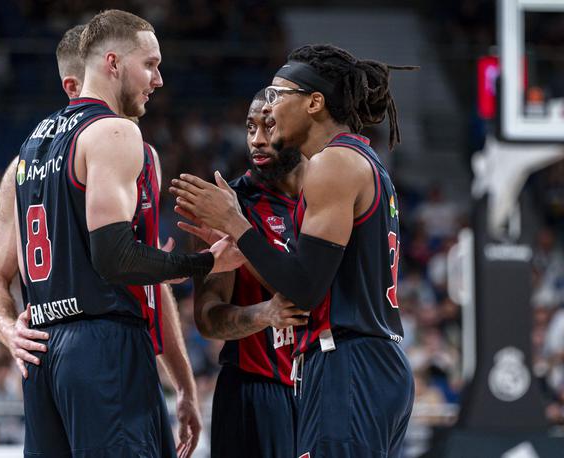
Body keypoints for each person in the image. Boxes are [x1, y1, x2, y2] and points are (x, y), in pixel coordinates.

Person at [0, 14, 238, 456]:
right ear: (113, 63)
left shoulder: (25, 156)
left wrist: (9, 332)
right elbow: (118, 259)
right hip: (104, 346)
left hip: (44, 356)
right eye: (150, 65)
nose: (158, 80)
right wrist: (203, 263)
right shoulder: (118, 134)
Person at [170, 44, 415, 457]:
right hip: (365, 362)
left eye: (279, 95)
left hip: (347, 363)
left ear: (315, 103)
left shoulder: (332, 163)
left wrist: (236, 225)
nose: (271, 107)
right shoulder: (362, 161)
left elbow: (304, 288)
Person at [183, 89, 306, 458]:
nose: (257, 140)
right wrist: (262, 314)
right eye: (250, 127)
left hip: (319, 387)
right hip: (256, 392)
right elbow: (207, 317)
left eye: (270, 126)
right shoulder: (225, 206)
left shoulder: (328, 201)